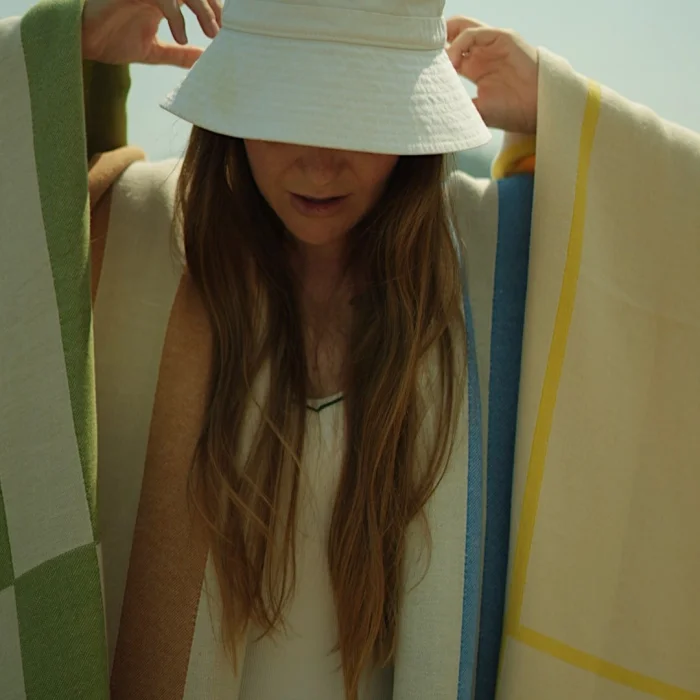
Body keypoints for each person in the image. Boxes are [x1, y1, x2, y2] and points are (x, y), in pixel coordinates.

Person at [0, 0, 699, 699]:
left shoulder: (498, 264)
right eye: (286, 108)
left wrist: (566, 108)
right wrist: (66, 47)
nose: (320, 161)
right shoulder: (125, 236)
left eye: (360, 115)